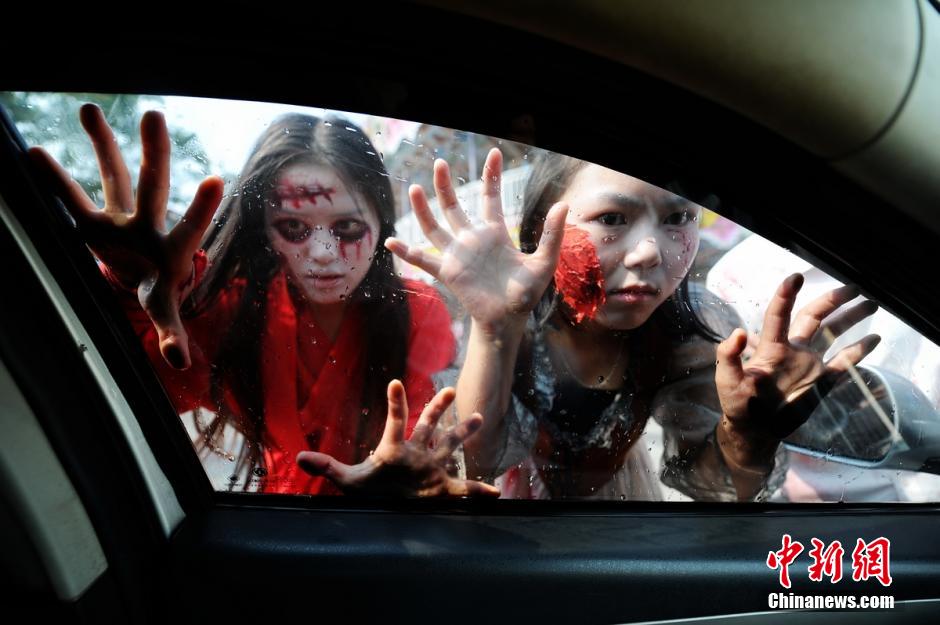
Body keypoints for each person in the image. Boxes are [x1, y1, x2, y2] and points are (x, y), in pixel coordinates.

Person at [30, 103, 499, 498]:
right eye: (293, 228)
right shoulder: (229, 309)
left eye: (347, 228)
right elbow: (118, 390)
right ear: (265, 232)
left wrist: (407, 486)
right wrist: (127, 289)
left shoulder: (418, 309)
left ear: (381, 226)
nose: (323, 254)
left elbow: (426, 440)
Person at [386, 149, 881, 500]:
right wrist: (495, 327)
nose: (649, 253)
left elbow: (718, 490)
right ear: (543, 229)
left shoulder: (694, 327)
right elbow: (477, 463)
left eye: (677, 218)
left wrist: (747, 432)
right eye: (611, 218)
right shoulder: (514, 317)